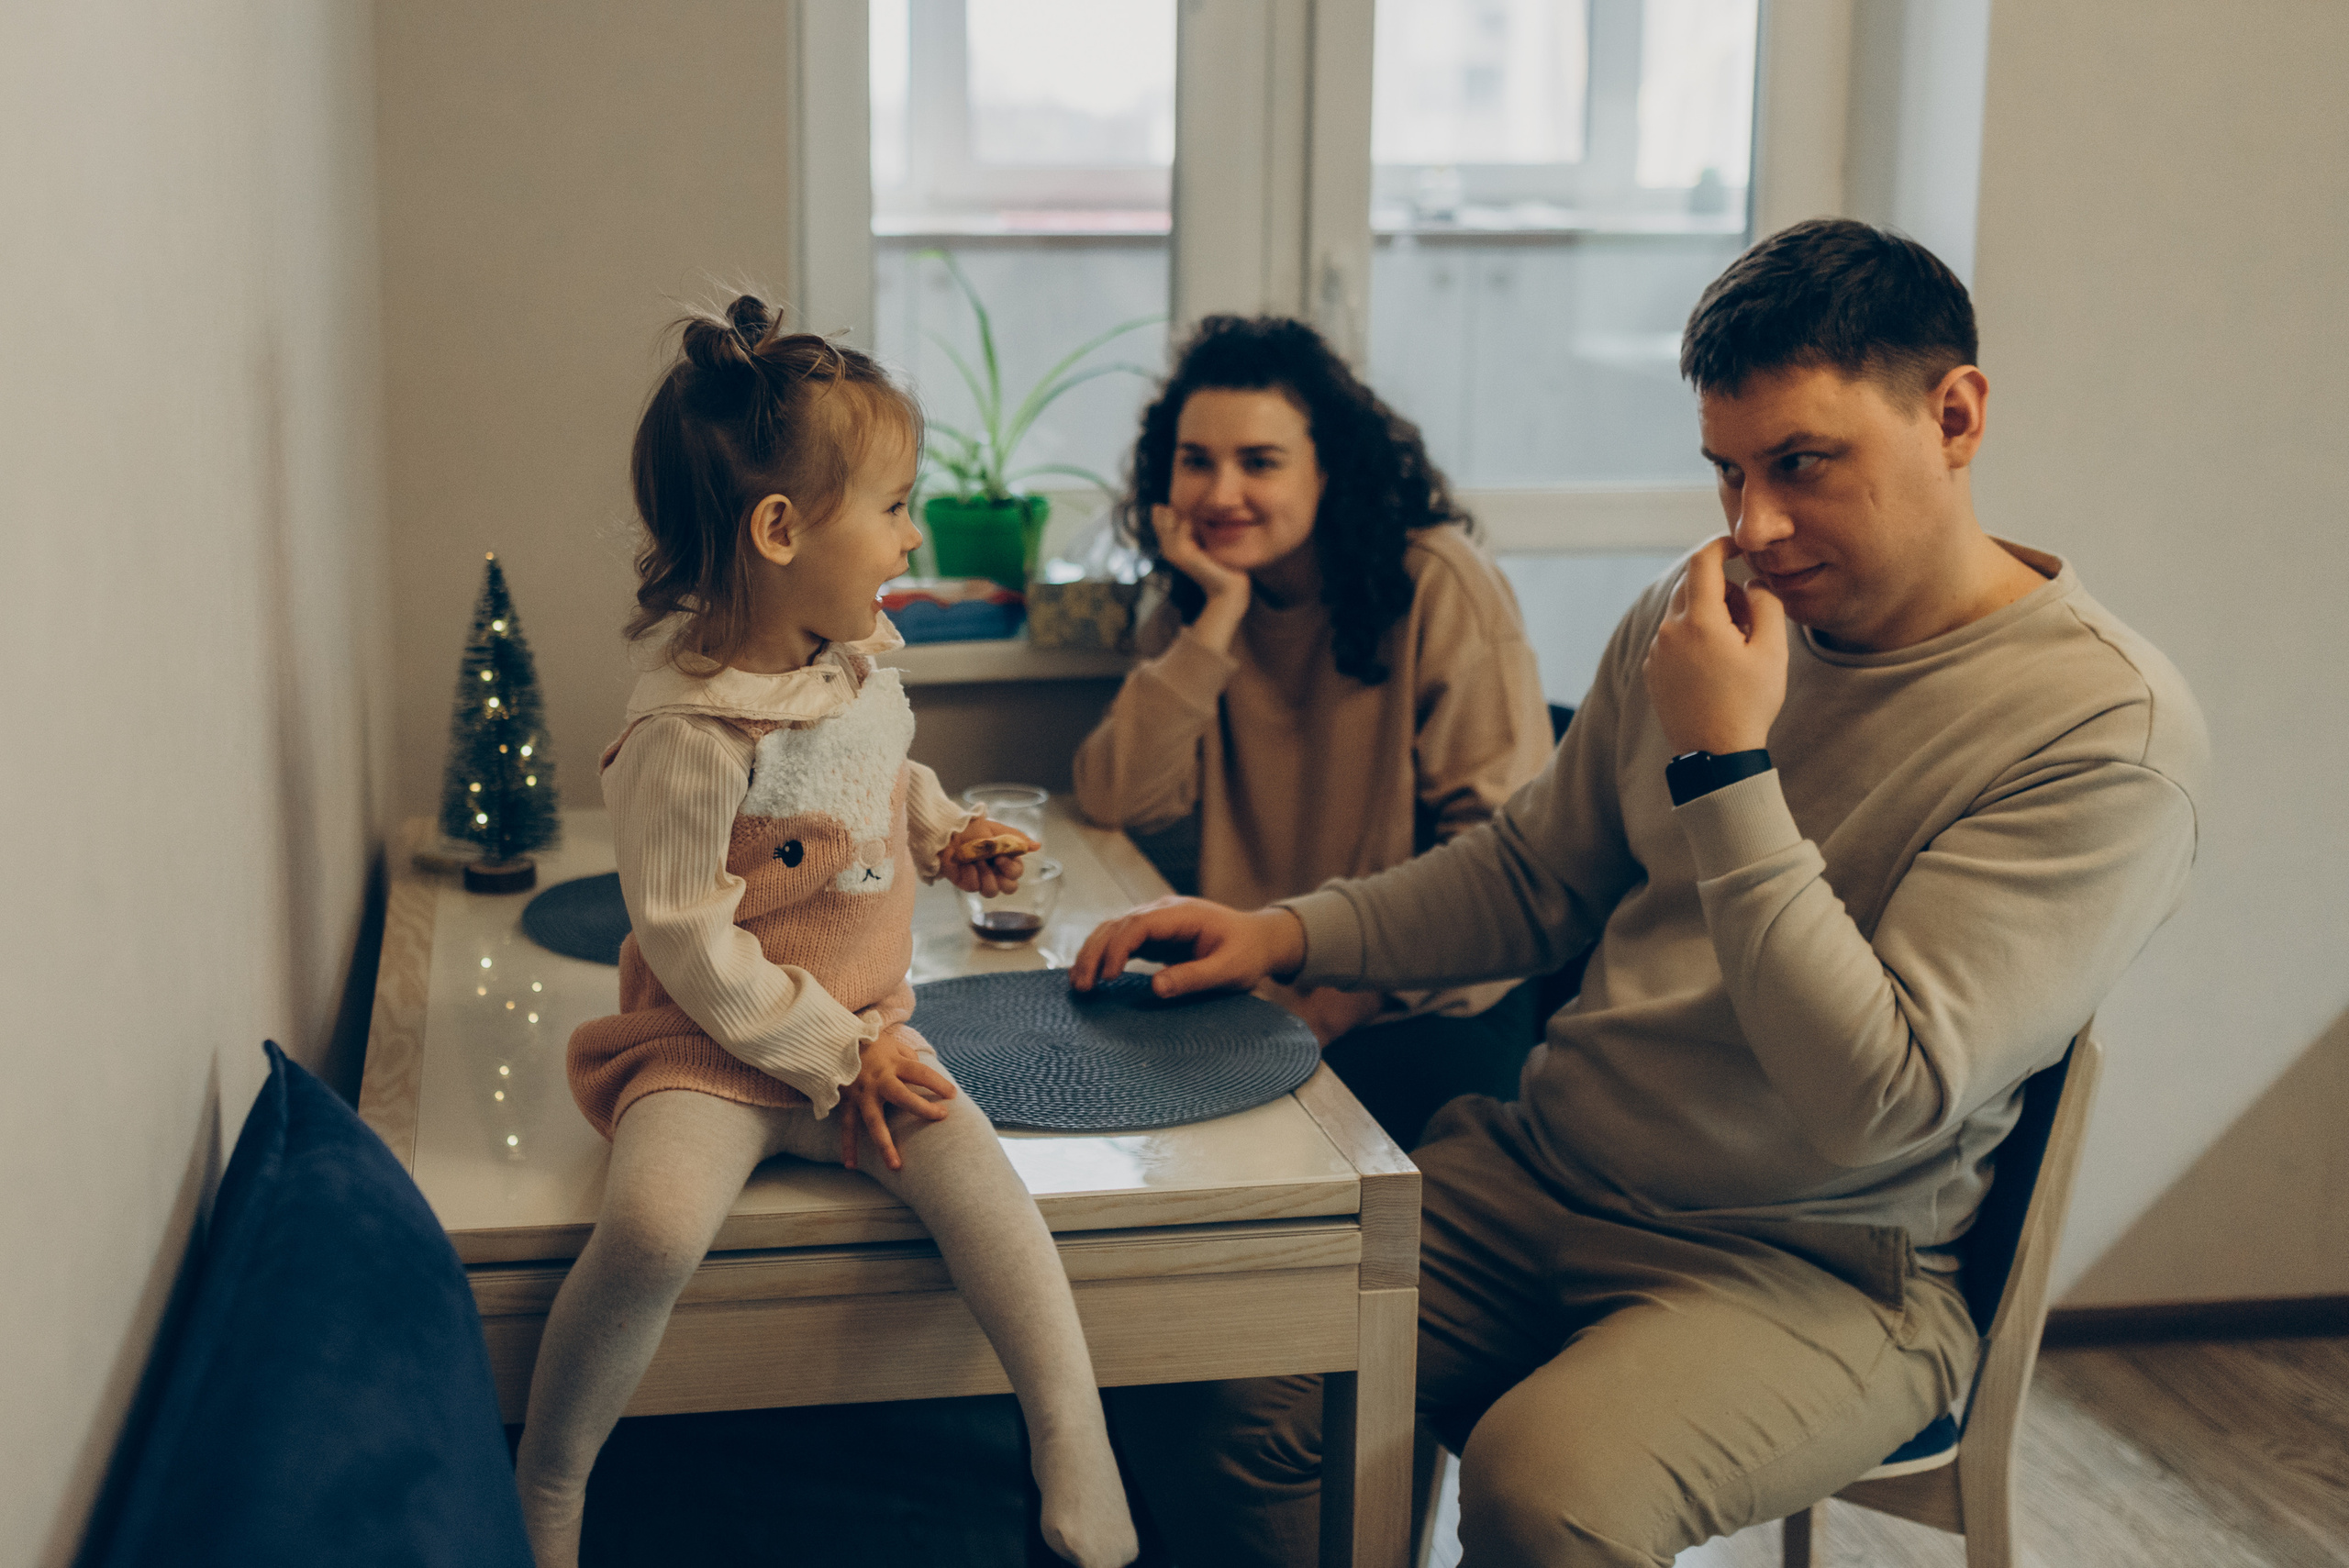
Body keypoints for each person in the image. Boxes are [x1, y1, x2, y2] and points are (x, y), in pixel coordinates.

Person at [1071, 219, 2209, 1566]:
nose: (1755, 525)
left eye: (1802, 464)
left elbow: (1876, 1095)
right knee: (1208, 1365)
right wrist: (1287, 930)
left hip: (1816, 1268)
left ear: (1955, 415)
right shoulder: (1700, 608)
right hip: (1540, 1177)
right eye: (1729, 472)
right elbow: (1531, 876)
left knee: (1545, 1486)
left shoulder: (2102, 729)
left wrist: (1725, 760)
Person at [511, 298, 1136, 1568]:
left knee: (991, 1198)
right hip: (714, 1049)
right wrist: (833, 1055)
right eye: (897, 505)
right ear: (781, 530)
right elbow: (686, 936)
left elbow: (873, 781)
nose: (914, 532)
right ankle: (551, 1475)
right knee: (649, 1230)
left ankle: (1074, 1438)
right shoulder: (688, 733)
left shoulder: (855, 661)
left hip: (869, 1031)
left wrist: (946, 829)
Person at [1072, 315, 1553, 1150]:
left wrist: (1339, 1000)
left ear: (1328, 468)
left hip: (1424, 1000)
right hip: (1259, 976)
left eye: (1259, 462)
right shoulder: (1202, 597)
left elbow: (1507, 858)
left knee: (1250, 1171)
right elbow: (1118, 797)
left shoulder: (1440, 584)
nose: (1221, 494)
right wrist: (1217, 618)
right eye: (1197, 462)